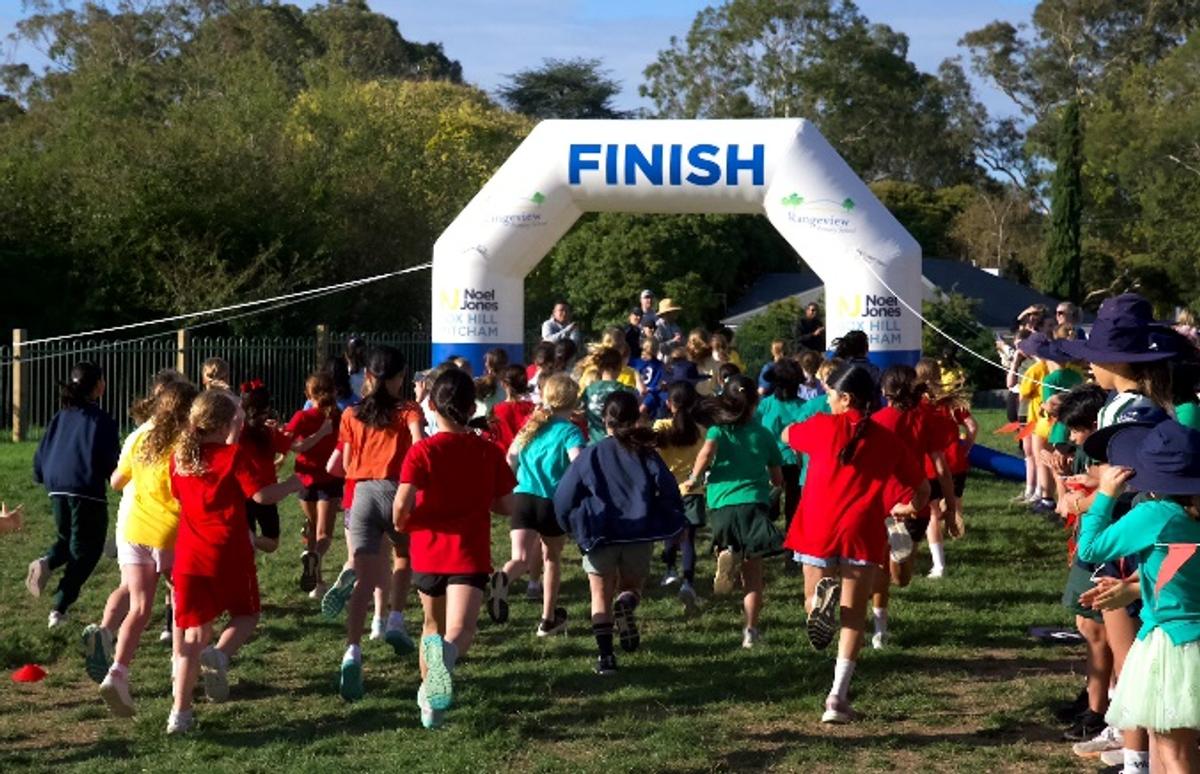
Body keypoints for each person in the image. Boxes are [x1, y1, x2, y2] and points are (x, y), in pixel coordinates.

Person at [782, 363, 929, 723]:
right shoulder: (887, 441)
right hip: (862, 531)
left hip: (817, 526)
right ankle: (837, 698)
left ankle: (819, 607)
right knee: (854, 616)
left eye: (830, 395)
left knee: (811, 601)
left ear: (845, 398)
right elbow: (922, 489)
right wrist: (907, 507)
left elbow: (786, 434)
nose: (827, 400)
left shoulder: (821, 426)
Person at [168, 390, 301, 734]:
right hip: (228, 551)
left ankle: (180, 714)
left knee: (193, 635)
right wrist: (292, 484)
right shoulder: (233, 455)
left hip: (189, 556)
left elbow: (179, 495)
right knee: (247, 614)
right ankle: (220, 655)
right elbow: (260, 495)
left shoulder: (179, 458)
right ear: (225, 424)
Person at [393, 369, 516, 729]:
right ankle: (440, 673)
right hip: (469, 552)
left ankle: (431, 704)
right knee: (460, 630)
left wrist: (402, 523)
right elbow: (506, 505)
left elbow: (401, 504)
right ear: (472, 407)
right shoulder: (487, 450)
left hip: (428, 550)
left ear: (431, 406)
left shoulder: (421, 451)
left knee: (432, 625)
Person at [1076, 420, 1200, 774]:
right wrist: (1136, 585)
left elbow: (1090, 549)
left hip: (1174, 644)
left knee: (1174, 751)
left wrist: (1105, 495)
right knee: (1176, 746)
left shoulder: (1154, 514)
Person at [554, 390, 685, 675]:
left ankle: (606, 657)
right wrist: (669, 518)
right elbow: (668, 488)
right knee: (632, 587)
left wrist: (569, 524)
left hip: (599, 534)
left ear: (604, 419)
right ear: (636, 418)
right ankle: (626, 604)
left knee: (599, 596)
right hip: (639, 534)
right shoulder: (646, 453)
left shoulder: (590, 454)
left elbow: (563, 496)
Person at [323, 346, 425, 701]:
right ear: (402, 376)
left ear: (367, 375)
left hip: (362, 494)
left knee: (364, 579)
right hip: (398, 491)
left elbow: (345, 464)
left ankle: (352, 650)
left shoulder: (351, 414)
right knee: (404, 556)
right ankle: (395, 619)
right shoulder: (408, 410)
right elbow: (420, 446)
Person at [98, 379, 197, 717]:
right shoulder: (186, 442)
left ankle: (117, 673)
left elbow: (116, 481)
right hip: (171, 532)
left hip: (134, 529)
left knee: (139, 608)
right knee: (181, 605)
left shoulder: (141, 436)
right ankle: (179, 671)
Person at [82, 369, 185, 681]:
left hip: (131, 520)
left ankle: (105, 632)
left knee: (130, 589)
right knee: (178, 595)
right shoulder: (183, 436)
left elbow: (116, 481)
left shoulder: (138, 434)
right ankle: (179, 660)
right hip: (166, 524)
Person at [688, 374, 784, 649]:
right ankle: (751, 631)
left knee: (727, 539)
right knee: (753, 577)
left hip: (722, 504)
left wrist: (694, 478)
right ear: (755, 403)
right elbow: (777, 477)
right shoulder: (763, 434)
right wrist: (775, 487)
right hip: (753, 503)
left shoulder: (718, 431)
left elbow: (706, 453)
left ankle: (726, 551)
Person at [868, 365, 957, 648]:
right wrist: (951, 507)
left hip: (883, 502)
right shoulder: (926, 418)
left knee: (883, 572)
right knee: (899, 578)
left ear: (885, 391)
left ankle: (879, 629)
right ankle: (880, 628)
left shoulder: (877, 421)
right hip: (914, 501)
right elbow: (941, 468)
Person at [28, 362, 120, 628]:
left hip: (56, 485)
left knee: (67, 539)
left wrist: (39, 474)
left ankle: (47, 561)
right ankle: (59, 607)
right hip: (85, 489)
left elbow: (43, 449)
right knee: (88, 550)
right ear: (99, 386)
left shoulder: (60, 416)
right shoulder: (101, 420)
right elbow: (110, 460)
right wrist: (120, 481)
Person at [493, 373, 585, 635]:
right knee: (551, 558)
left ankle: (504, 578)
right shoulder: (570, 431)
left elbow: (510, 458)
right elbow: (579, 463)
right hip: (551, 502)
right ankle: (547, 619)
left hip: (522, 497)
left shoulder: (530, 426)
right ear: (573, 401)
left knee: (520, 558)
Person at [915, 358, 977, 578]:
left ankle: (938, 564)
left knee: (932, 513)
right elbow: (972, 426)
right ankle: (955, 525)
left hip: (931, 465)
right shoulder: (950, 401)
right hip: (956, 462)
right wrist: (966, 447)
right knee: (953, 502)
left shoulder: (919, 405)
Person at [286, 371, 344, 597]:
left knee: (311, 529)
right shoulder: (339, 416)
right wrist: (322, 433)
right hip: (330, 479)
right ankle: (316, 561)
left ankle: (317, 584)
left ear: (308, 394)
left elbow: (292, 445)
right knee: (323, 534)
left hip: (305, 479)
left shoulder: (301, 416)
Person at [654, 381, 707, 612]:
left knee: (669, 533)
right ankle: (688, 583)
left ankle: (669, 571)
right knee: (688, 540)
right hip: (692, 491)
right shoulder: (701, 431)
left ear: (669, 404)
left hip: (666, 490)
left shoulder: (661, 426)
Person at [754, 359, 808, 569]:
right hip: (784, 464)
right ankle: (781, 547)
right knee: (779, 509)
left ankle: (788, 551)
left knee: (789, 510)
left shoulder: (767, 405)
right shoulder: (802, 406)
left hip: (785, 464)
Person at [238, 380, 293, 555]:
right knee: (271, 541)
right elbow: (289, 445)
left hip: (243, 491)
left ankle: (249, 539)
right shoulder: (267, 432)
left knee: (247, 546)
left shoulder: (238, 432)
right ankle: (251, 540)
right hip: (266, 491)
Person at [581, 347, 635, 444]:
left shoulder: (589, 389)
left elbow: (581, 411)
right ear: (619, 367)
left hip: (594, 442)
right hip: (618, 442)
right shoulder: (624, 390)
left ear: (600, 367)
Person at [490, 365, 537, 453]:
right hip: (530, 456)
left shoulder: (497, 410)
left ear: (503, 384)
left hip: (507, 456)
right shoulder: (534, 408)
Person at [631, 337, 667, 419]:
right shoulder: (660, 365)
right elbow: (660, 386)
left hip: (644, 396)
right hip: (645, 396)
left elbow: (660, 386)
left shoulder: (635, 362)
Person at [475, 348, 510, 415]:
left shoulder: (479, 382)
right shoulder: (509, 385)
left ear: (488, 366)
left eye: (486, 362)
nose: (485, 364)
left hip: (482, 418)